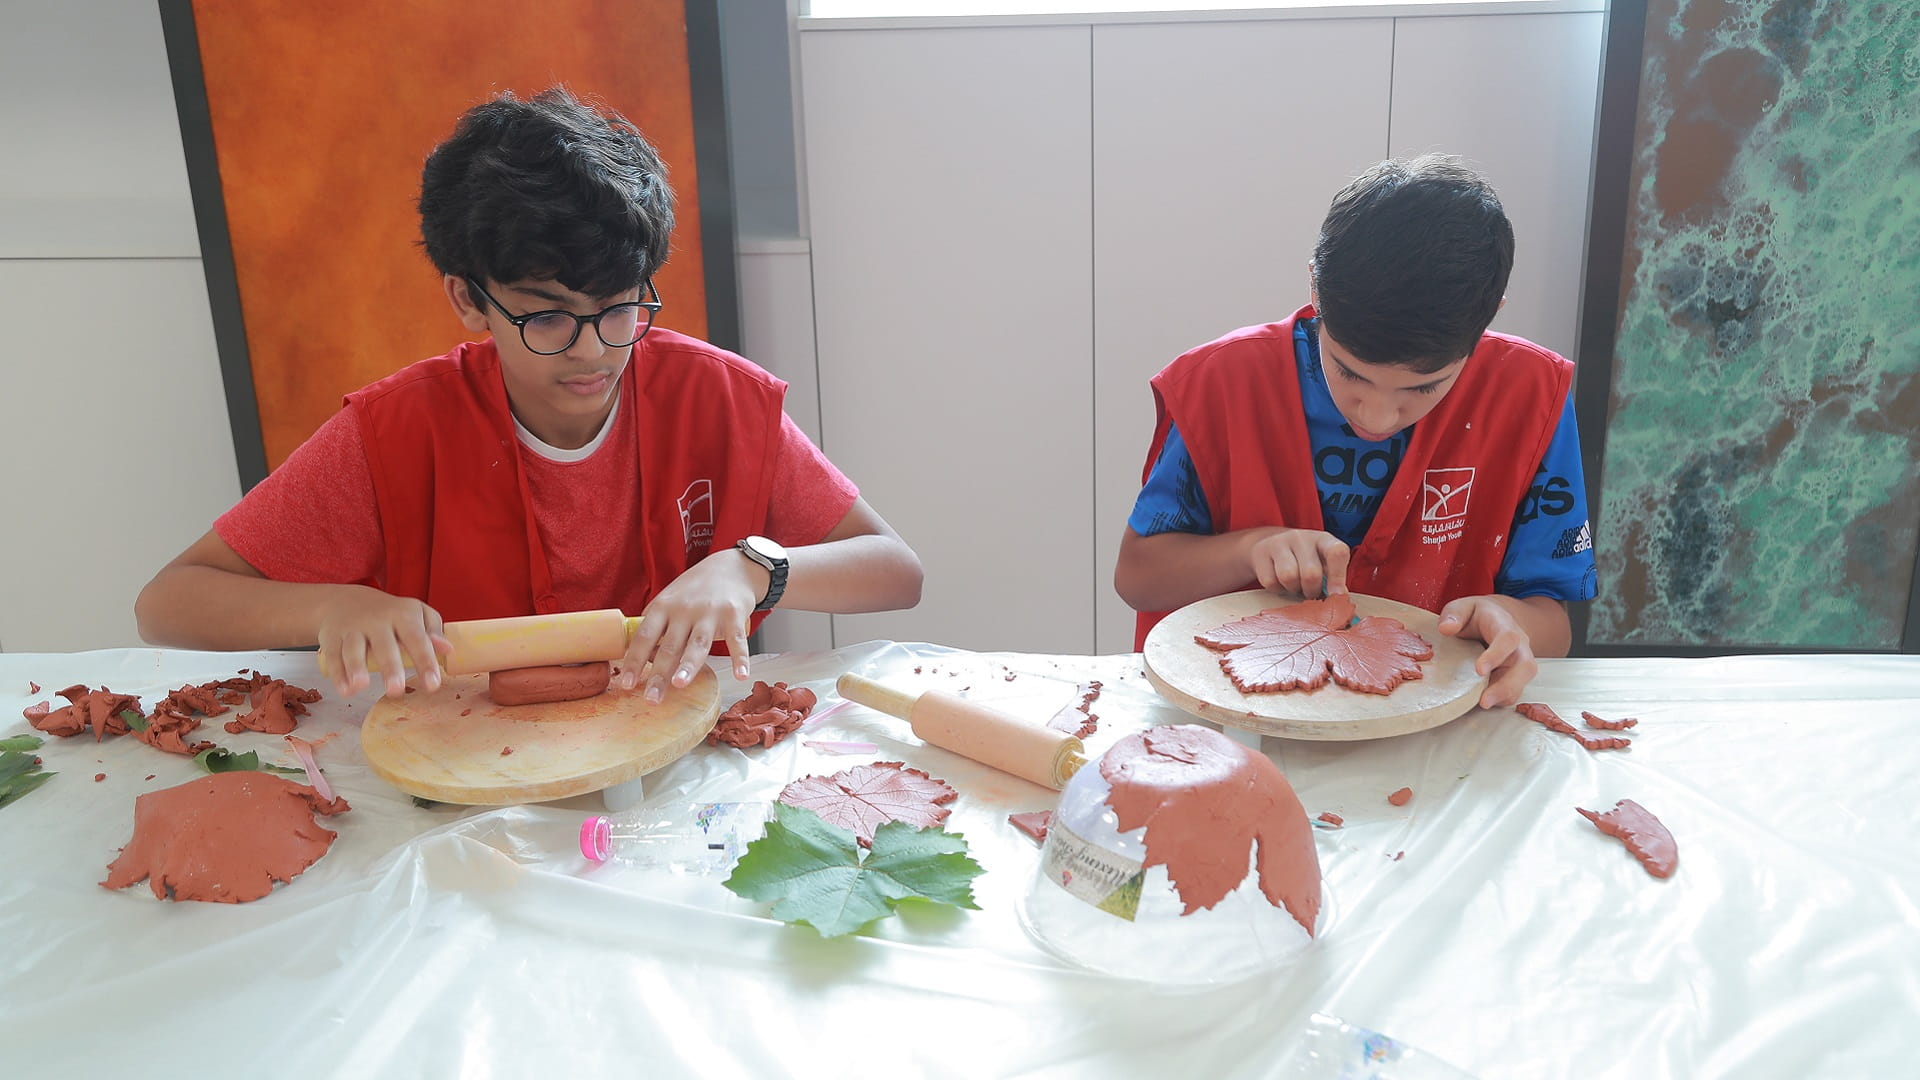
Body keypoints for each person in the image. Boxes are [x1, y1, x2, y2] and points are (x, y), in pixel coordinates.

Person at [137, 88, 922, 701]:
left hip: (678, 754)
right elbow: (169, 603)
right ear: (469, 300)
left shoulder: (716, 396)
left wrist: (752, 567)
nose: (593, 351)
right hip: (467, 771)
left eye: (620, 307)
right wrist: (330, 608)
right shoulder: (395, 433)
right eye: (547, 315)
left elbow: (895, 570)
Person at [1114, 155, 1595, 707]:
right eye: (1349, 373)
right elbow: (1138, 578)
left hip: (1431, 736)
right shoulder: (1223, 384)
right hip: (1241, 722)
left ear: (1486, 322)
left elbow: (1553, 625)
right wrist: (1250, 548)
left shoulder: (1531, 397)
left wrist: (1509, 619)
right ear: (1316, 290)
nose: (1375, 416)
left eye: (1423, 388)